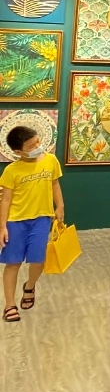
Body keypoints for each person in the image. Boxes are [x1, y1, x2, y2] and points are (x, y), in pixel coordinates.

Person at [0, 125, 64, 324]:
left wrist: (60, 206)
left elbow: (55, 184)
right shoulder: (11, 170)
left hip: (42, 219)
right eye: (31, 146)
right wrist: (2, 227)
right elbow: (6, 200)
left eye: (37, 142)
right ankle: (10, 305)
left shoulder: (51, 160)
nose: (38, 147)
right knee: (13, 263)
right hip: (16, 221)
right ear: (18, 151)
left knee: (38, 261)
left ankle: (29, 286)